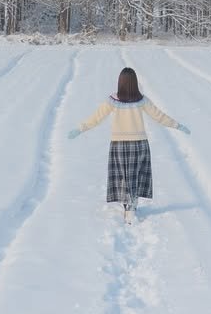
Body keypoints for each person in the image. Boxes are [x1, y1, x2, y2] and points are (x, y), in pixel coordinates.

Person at [68, 66, 190, 221]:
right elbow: (159, 116)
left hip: (119, 144)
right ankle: (131, 203)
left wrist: (80, 129)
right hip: (139, 144)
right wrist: (177, 125)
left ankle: (128, 205)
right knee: (135, 175)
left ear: (120, 82)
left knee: (122, 175)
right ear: (135, 83)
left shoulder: (113, 100)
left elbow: (96, 118)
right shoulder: (142, 100)